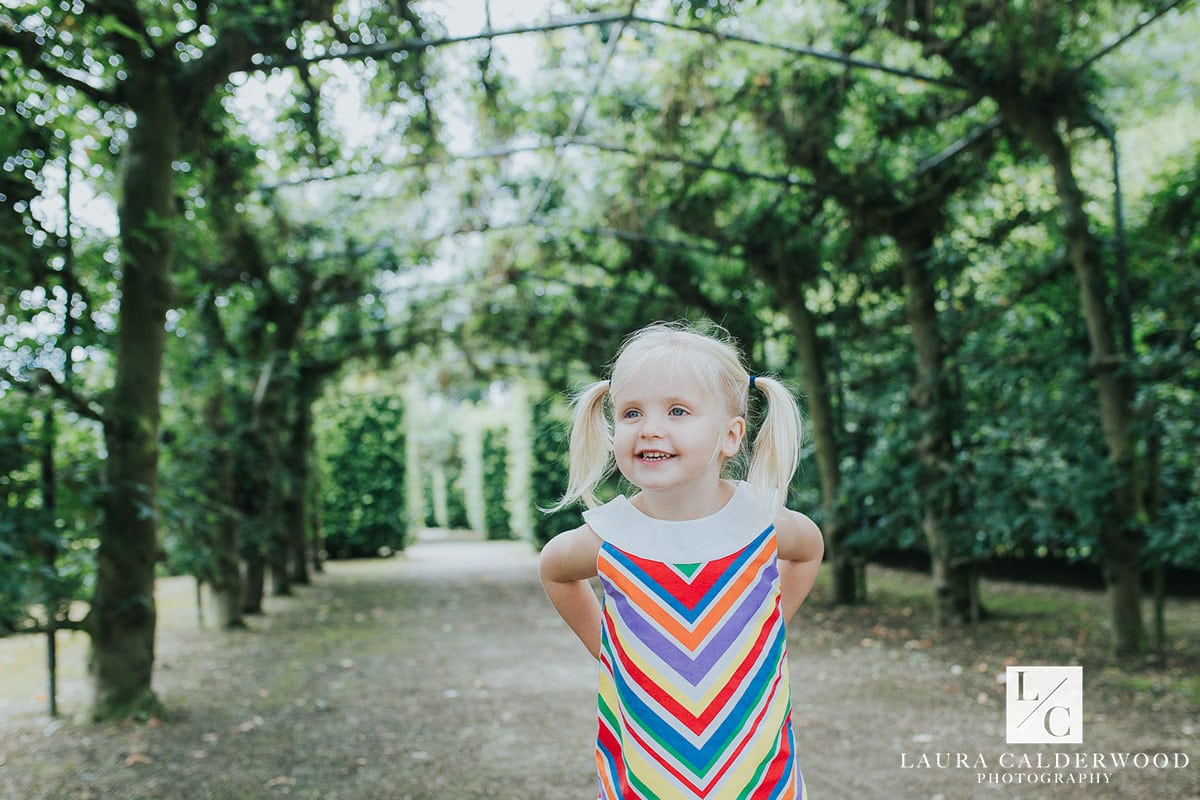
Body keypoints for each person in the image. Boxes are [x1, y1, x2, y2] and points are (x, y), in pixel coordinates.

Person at [539, 321, 824, 800]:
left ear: (730, 436)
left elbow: (810, 548)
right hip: (651, 773)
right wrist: (610, 650)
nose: (650, 428)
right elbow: (554, 569)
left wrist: (772, 627)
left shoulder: (759, 522)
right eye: (631, 413)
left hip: (758, 774)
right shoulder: (610, 535)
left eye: (677, 410)